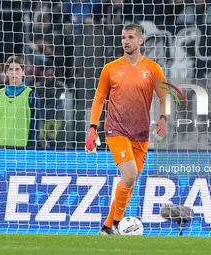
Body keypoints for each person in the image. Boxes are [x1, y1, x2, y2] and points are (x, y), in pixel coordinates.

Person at [85, 23, 169, 235]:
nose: (125, 41)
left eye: (130, 37)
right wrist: (92, 128)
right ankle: (116, 224)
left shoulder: (153, 68)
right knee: (129, 176)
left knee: (129, 183)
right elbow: (99, 99)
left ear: (140, 41)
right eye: (123, 37)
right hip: (116, 130)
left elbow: (164, 96)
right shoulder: (111, 69)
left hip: (141, 134)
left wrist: (163, 119)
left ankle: (106, 228)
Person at [0, 56, 42, 149]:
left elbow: (35, 127)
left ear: (23, 71)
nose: (14, 73)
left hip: (21, 149)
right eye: (11, 69)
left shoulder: (31, 95)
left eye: (17, 69)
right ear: (6, 72)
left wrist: (31, 149)